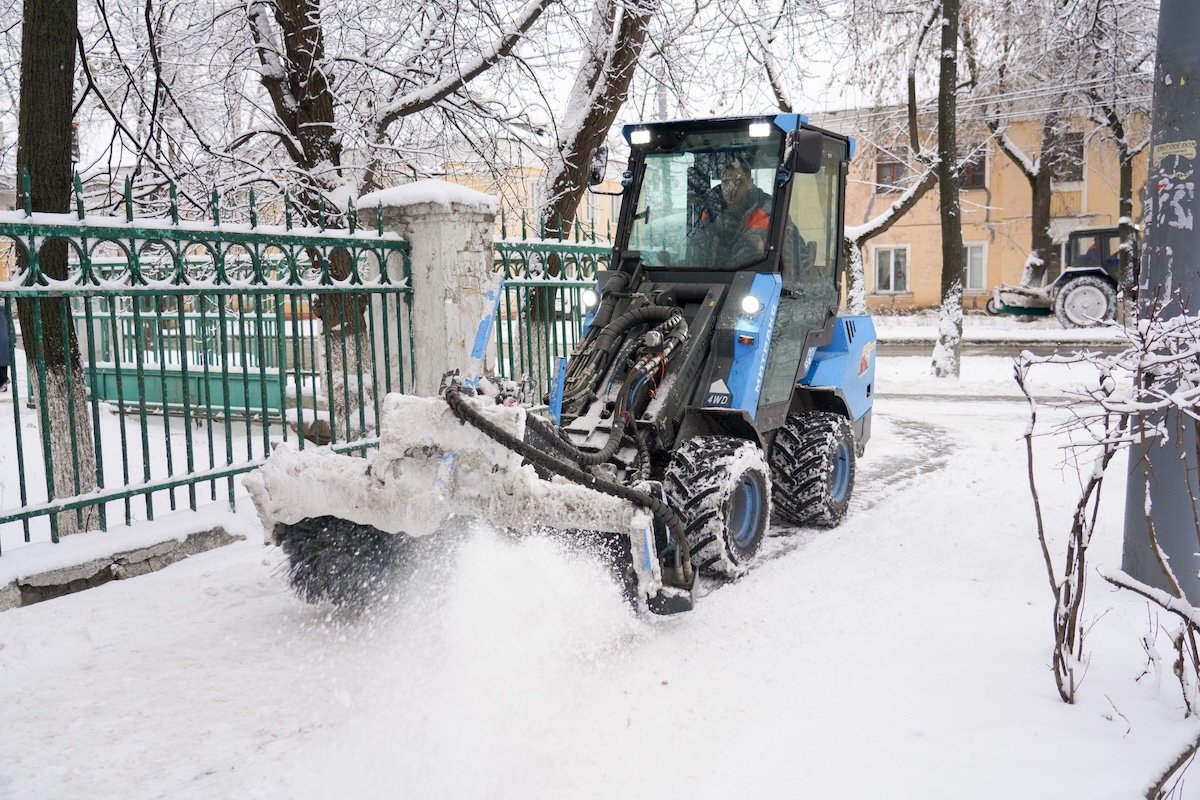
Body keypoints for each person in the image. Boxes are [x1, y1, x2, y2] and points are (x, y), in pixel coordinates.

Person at [688, 154, 773, 267]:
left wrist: (765, 253)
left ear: (749, 183)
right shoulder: (709, 213)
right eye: (725, 182)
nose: (730, 189)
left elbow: (793, 257)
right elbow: (696, 251)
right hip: (712, 279)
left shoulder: (769, 211)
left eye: (737, 181)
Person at [0, 305, 9, 393]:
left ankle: (3, 380)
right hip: (6, 339)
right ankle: (4, 385)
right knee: (3, 363)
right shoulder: (5, 310)